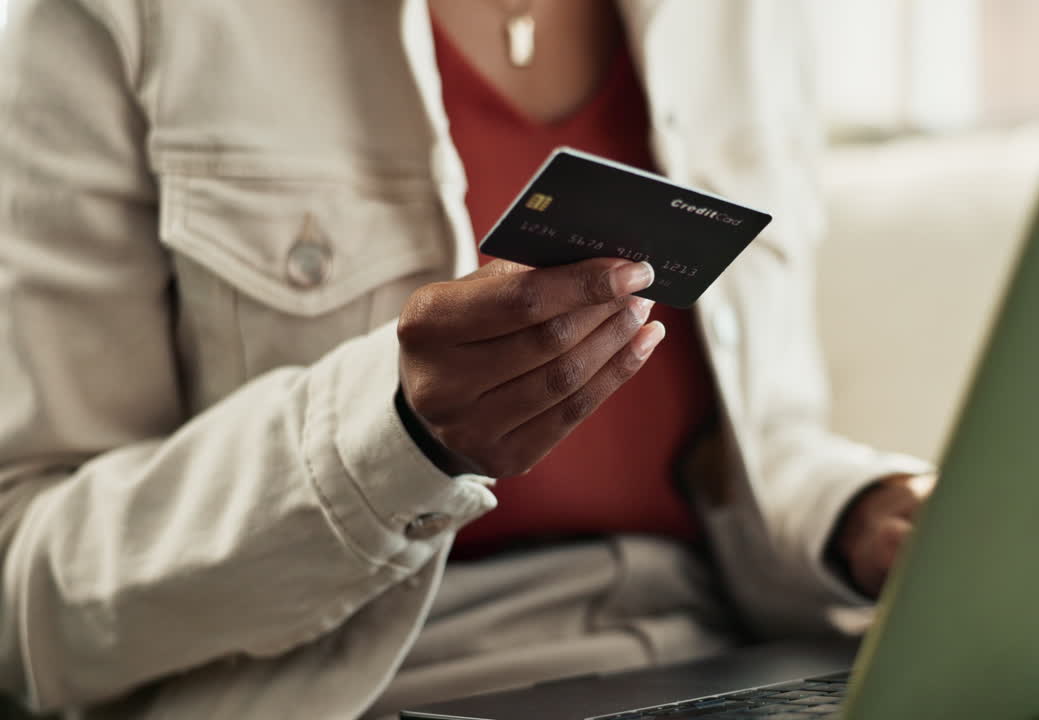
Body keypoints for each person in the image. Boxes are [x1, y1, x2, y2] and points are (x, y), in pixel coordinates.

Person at [0, 1, 937, 717]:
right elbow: (25, 597)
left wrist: (857, 512)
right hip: (384, 692)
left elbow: (757, 443)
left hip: (729, 667)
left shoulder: (743, 21)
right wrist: (391, 436)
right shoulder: (122, 22)